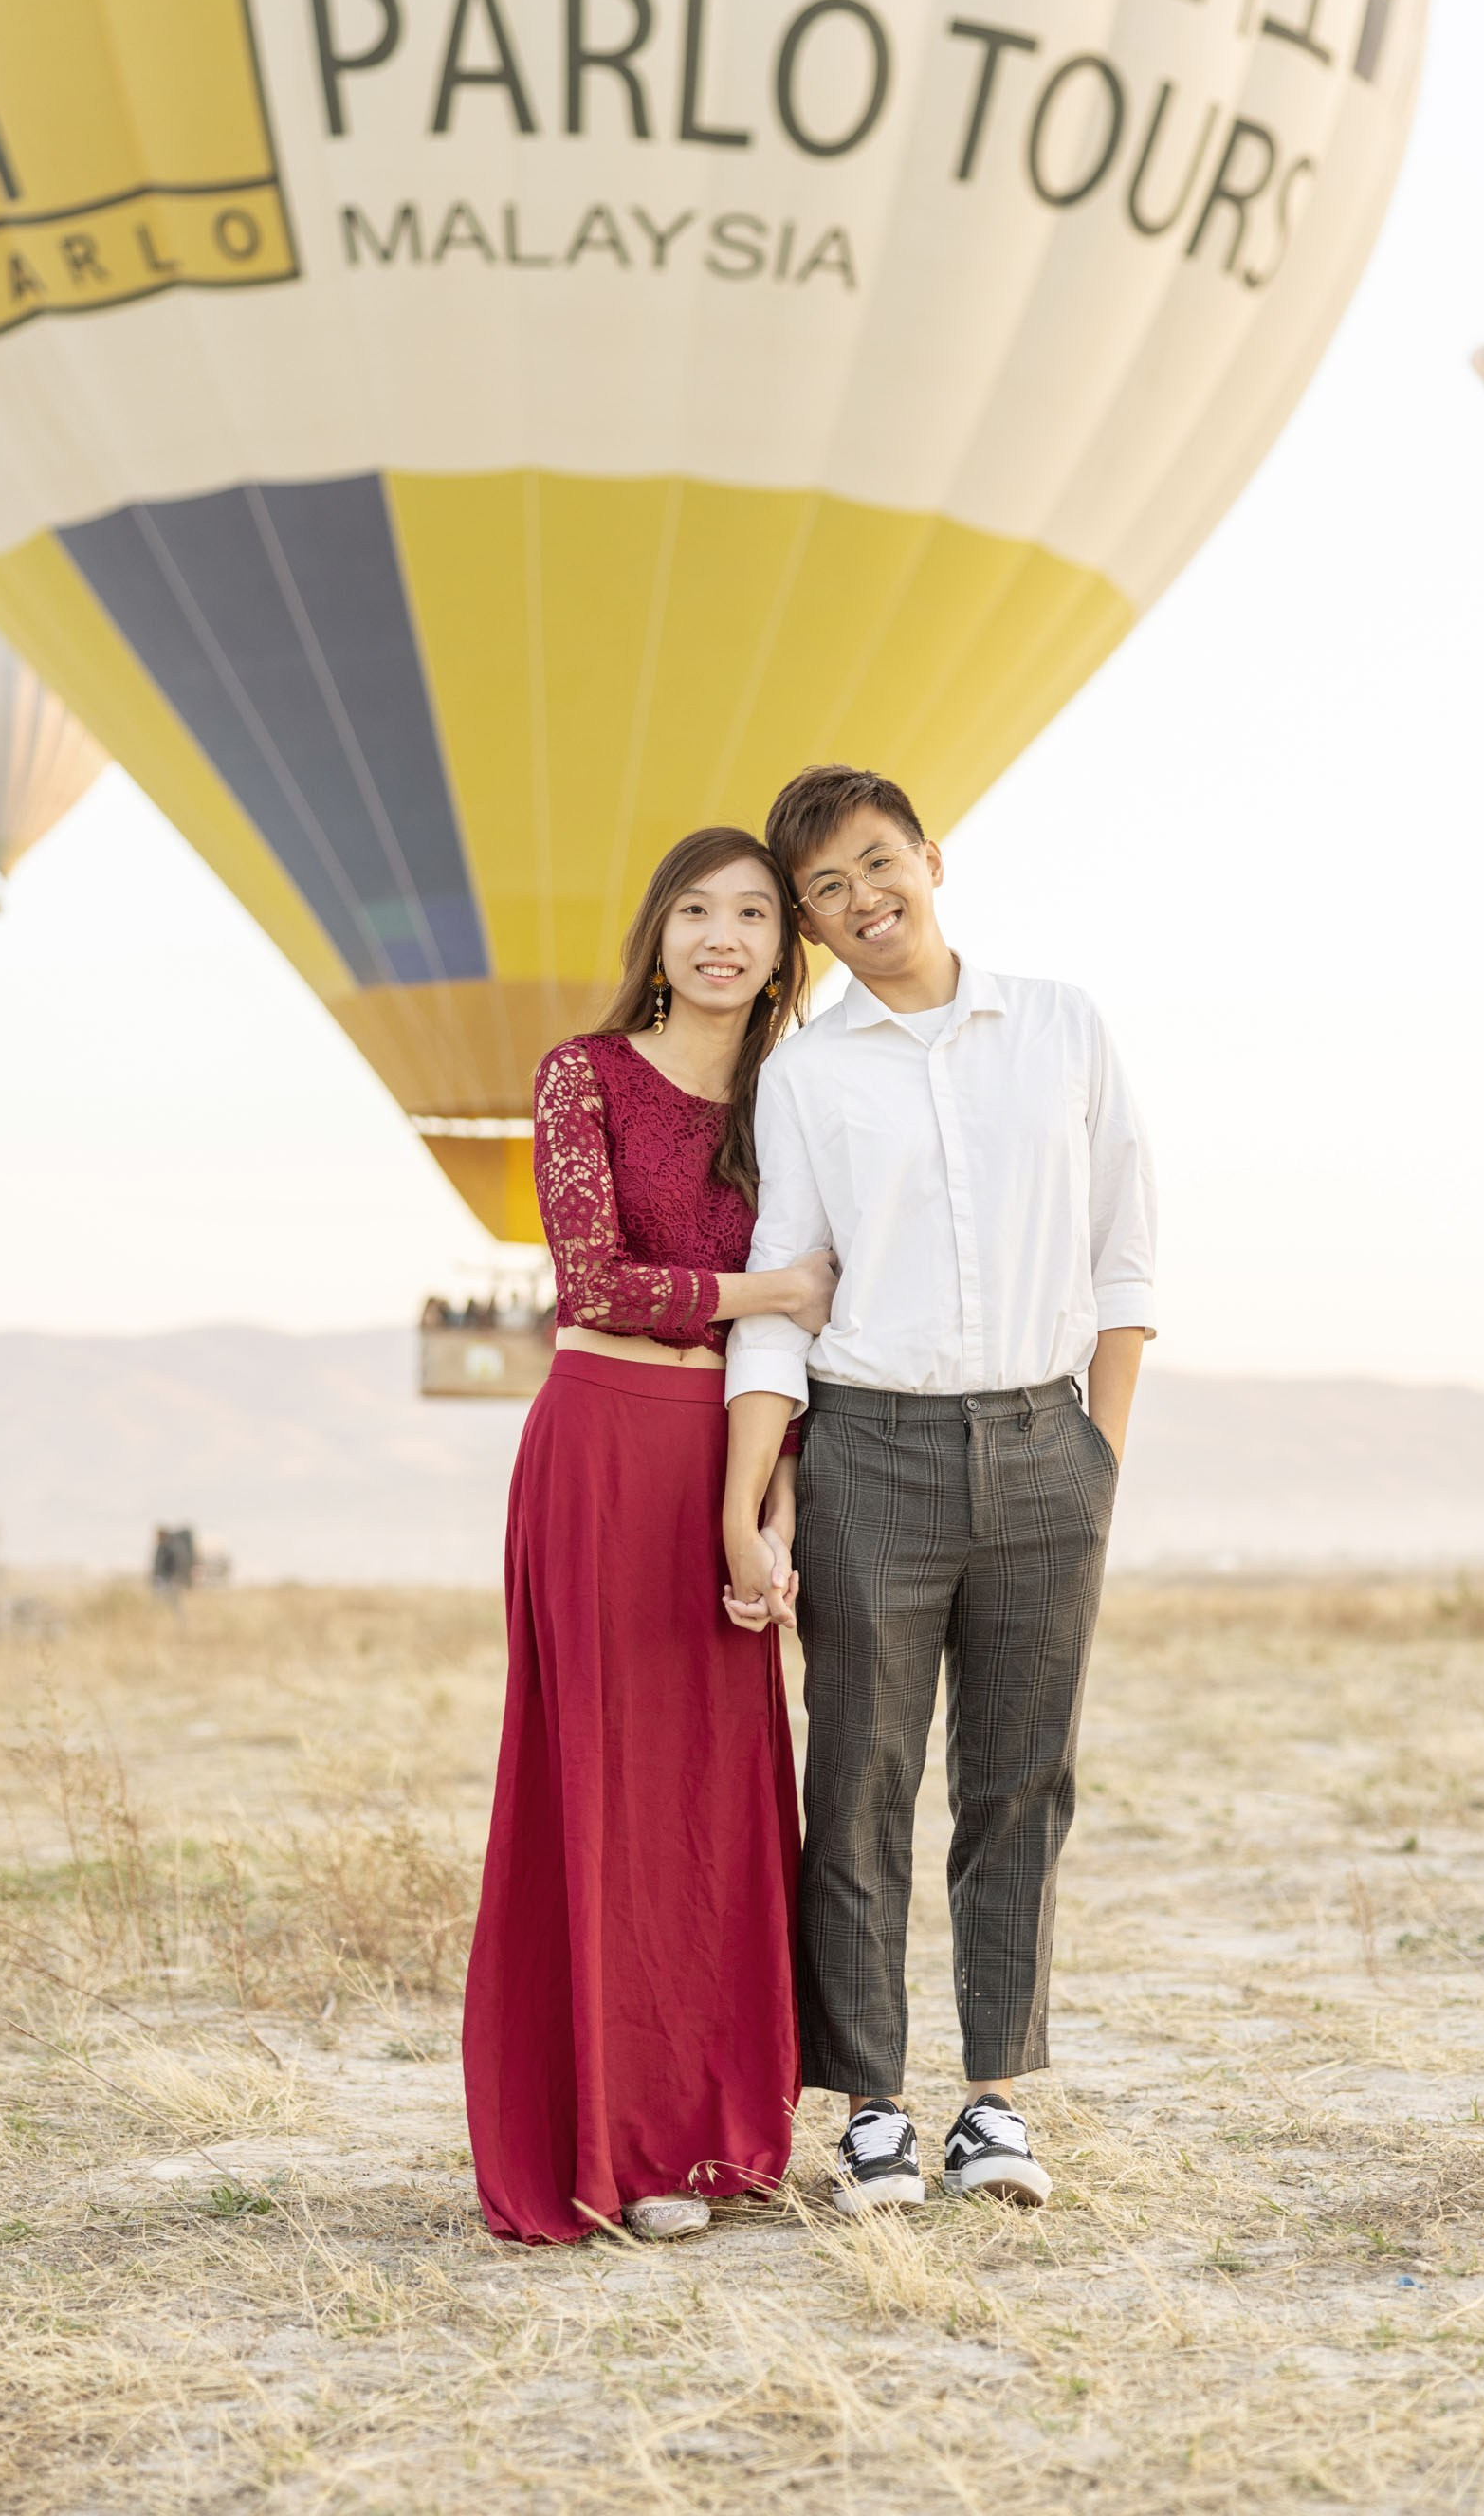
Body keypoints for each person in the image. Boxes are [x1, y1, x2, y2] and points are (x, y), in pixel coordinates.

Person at [722, 766, 1155, 2217]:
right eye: (824, 891)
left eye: (876, 865)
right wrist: (761, 1486)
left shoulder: (1058, 1026)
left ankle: (993, 2104)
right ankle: (869, 2112)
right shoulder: (805, 1073)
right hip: (872, 1453)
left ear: (931, 857)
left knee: (1019, 1780)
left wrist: (1095, 1453)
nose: (860, 903)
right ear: (807, 920)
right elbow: (782, 1291)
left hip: (1044, 1448)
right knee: (855, 1784)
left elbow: (1125, 1256)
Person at [462, 827, 835, 2247]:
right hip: (606, 1445)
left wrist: (772, 1501)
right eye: (695, 909)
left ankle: (713, 2137)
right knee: (607, 1783)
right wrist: (770, 1287)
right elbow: (596, 1278)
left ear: (780, 943)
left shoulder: (791, 1098)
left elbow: (815, 1328)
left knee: (722, 1792)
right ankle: (604, 2149)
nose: (723, 936)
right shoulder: (586, 1073)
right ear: (657, 930)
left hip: (737, 1453)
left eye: (751, 912)